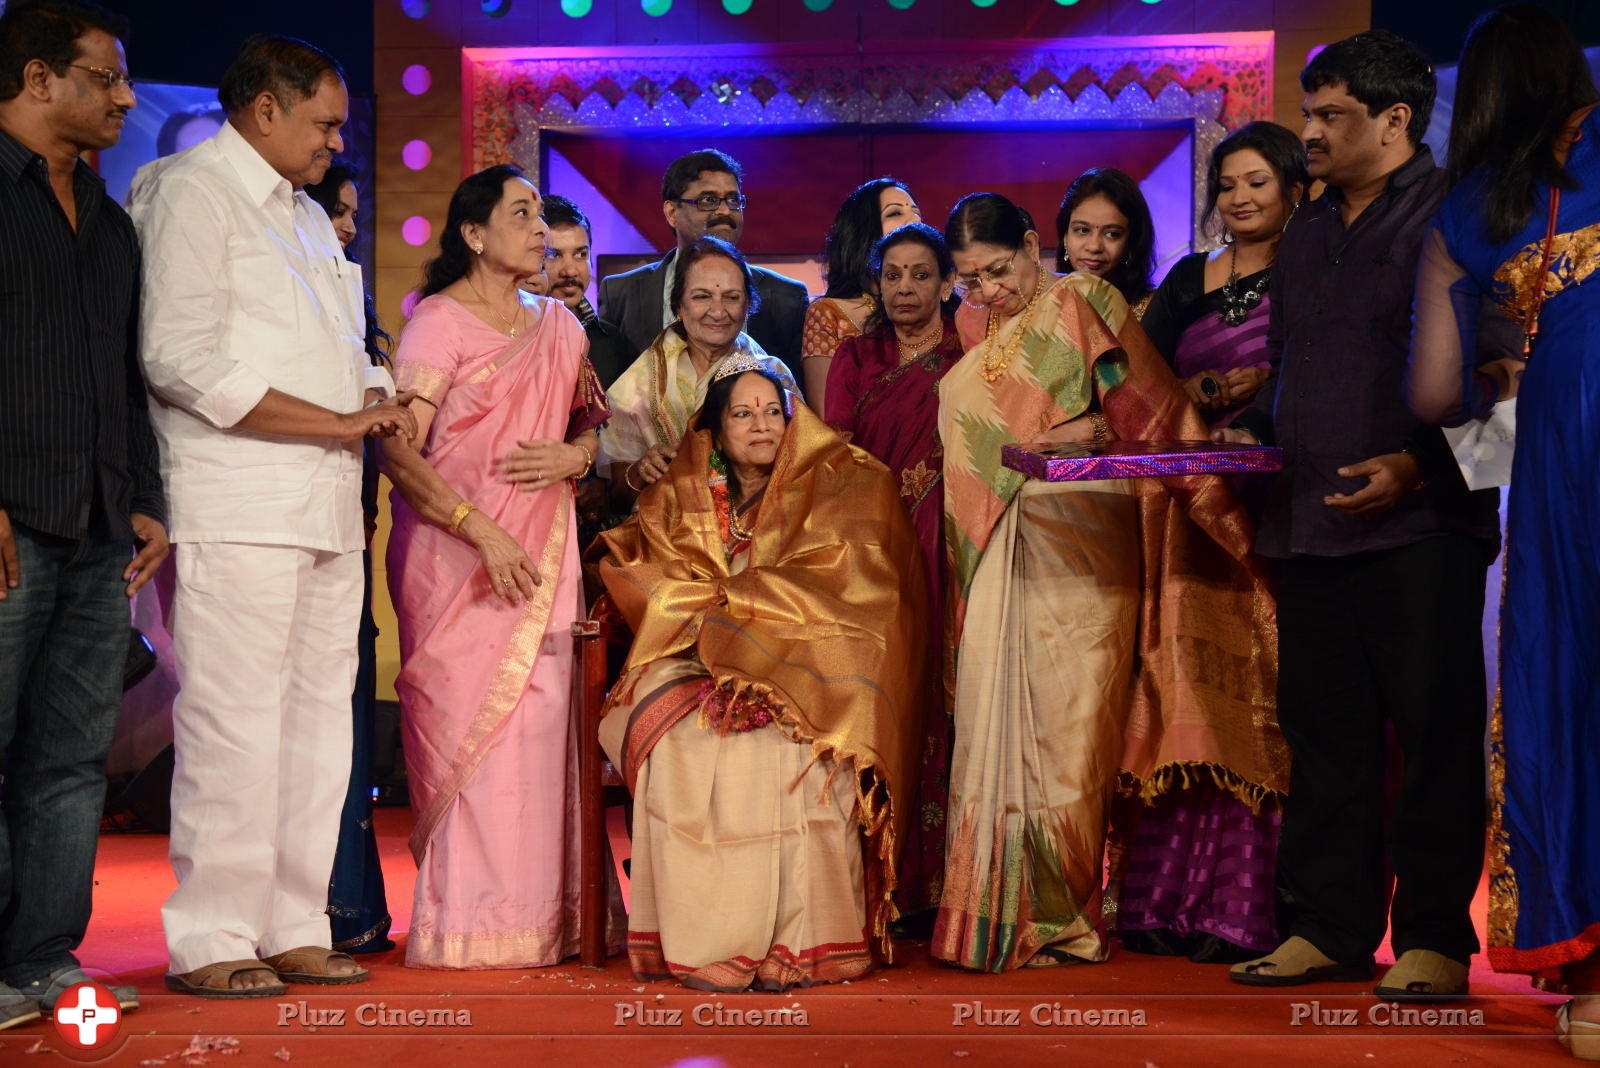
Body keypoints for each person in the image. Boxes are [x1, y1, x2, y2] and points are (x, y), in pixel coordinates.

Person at [1217, 31, 1502, 1001]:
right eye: (1309, 113)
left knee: (1430, 735)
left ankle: (1430, 939)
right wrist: (1246, 431)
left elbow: (1502, 378)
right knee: (1322, 735)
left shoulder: (1458, 218)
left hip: (1421, 530)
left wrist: (1418, 468)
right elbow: (1289, 368)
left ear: (1395, 120)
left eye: (1330, 116)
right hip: (1309, 525)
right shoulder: (1303, 231)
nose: (1310, 134)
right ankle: (1327, 928)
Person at [130, 34, 416, 998]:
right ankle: (212, 933)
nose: (338, 141)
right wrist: (341, 419)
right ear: (264, 109)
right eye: (325, 123)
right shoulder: (190, 191)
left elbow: (330, 354)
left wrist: (381, 394)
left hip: (328, 506)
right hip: (239, 498)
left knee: (316, 729)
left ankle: (295, 923)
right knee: (235, 724)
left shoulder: (301, 215)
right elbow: (179, 357)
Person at [932, 193, 1283, 973]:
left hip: (1085, 534)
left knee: (1071, 735)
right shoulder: (968, 327)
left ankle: (1059, 916)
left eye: (998, 270)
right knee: (994, 721)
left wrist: (1083, 433)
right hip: (994, 546)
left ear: (1032, 244)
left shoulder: (1086, 301)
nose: (988, 292)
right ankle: (991, 915)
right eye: (969, 280)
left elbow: (1146, 413)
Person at [596, 362, 926, 991]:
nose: (762, 425)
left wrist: (750, 618)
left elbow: (853, 590)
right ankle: (711, 943)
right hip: (689, 652)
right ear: (715, 430)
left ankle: (799, 943)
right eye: (743, 413)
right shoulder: (679, 490)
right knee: (682, 747)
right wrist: (716, 624)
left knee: (796, 754)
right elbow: (643, 571)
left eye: (773, 411)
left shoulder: (845, 482)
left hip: (805, 660)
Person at [1405, 6, 1600, 1052]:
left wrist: (1498, 360)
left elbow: (1433, 393)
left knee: (1564, 691)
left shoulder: (1467, 212)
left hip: (1568, 454)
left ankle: (1595, 990)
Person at [383, 165, 611, 970]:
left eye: (541, 217)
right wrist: (479, 529)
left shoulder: (564, 328)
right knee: (466, 733)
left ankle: (549, 923)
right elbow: (396, 446)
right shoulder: (436, 325)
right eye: (521, 215)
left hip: (543, 558)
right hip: (459, 561)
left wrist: (574, 453)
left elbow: (594, 432)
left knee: (544, 729)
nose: (539, 230)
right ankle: (469, 933)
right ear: (474, 234)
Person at [0, 0, 163, 1025]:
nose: (124, 97)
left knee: (68, 762)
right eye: (103, 78)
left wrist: (143, 501)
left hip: (101, 525)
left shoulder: (107, 220)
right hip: (10, 523)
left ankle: (40, 963)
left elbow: (120, 373)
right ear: (34, 79)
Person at [824, 222, 959, 922]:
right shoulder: (857, 355)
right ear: (876, 282)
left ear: (946, 282)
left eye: (920, 274)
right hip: (879, 546)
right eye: (893, 275)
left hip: (960, 543)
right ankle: (887, 880)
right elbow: (838, 453)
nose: (905, 288)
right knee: (890, 697)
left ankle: (951, 883)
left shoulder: (974, 355)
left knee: (954, 695)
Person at [302, 160, 395, 957]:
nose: (347, 229)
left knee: (352, 732)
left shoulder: (359, 319)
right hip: (287, 532)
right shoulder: (296, 306)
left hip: (350, 546)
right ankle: (314, 913)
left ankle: (354, 912)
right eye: (335, 213)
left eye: (353, 217)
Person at [601, 236, 797, 507]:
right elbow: (614, 493)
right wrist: (640, 471)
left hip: (763, 529)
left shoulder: (774, 375)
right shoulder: (639, 384)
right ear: (679, 306)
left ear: (748, 306)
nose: (717, 311)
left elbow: (802, 466)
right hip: (665, 538)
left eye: (731, 297)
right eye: (702, 296)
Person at [1142, 122, 1308, 428]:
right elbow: (1140, 376)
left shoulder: (1313, 269)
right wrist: (1185, 388)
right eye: (1227, 186)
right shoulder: (1187, 274)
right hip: (1193, 458)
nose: (1239, 198)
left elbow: (1331, 367)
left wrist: (1269, 380)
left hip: (1288, 454)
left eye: (1257, 183)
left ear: (1294, 191)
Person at [598, 149, 809, 382]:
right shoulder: (621, 292)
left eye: (733, 200)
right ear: (671, 213)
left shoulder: (786, 297)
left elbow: (797, 402)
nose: (725, 211)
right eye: (709, 200)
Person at [803, 177, 922, 409]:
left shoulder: (943, 304)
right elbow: (827, 417)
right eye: (895, 213)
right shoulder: (829, 313)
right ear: (863, 232)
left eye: (917, 213)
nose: (914, 220)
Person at [542, 193, 639, 389]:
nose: (570, 271)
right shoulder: (510, 336)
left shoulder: (613, 342)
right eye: (554, 255)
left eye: (581, 254)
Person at [1056, 167, 1157, 316]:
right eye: (1083, 230)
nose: (1095, 246)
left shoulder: (1155, 309)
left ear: (1132, 240)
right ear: (1065, 235)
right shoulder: (1044, 308)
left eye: (1112, 234)